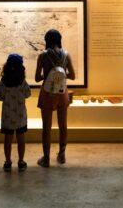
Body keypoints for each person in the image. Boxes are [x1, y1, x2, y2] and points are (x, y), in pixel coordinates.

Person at [35, 29, 76, 168]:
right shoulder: (66, 54)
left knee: (46, 127)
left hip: (47, 93)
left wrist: (47, 77)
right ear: (59, 39)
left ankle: (46, 159)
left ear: (47, 40)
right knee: (63, 125)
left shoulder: (43, 55)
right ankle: (62, 155)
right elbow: (73, 76)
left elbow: (36, 78)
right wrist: (61, 74)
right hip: (62, 92)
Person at [0, 53, 31, 172]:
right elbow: (28, 94)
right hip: (20, 115)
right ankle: (21, 161)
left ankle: (8, 161)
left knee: (8, 138)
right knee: (21, 137)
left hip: (7, 115)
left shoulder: (3, 82)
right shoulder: (22, 82)